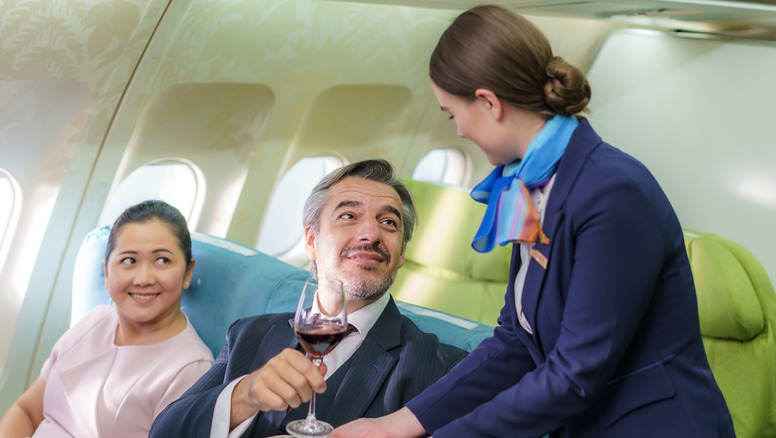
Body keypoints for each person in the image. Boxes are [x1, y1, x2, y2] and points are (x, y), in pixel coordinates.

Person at [333, 5, 735, 438]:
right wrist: (393, 426)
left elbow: (574, 375)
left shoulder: (613, 193)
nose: (461, 133)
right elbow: (516, 341)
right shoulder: (528, 185)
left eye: (453, 115)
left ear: (488, 102)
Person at [149, 159, 467, 438]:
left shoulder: (445, 369)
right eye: (348, 216)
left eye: (389, 222)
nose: (371, 234)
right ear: (311, 241)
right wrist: (244, 397)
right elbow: (165, 432)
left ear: (400, 255)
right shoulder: (250, 334)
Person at [0, 200, 214, 438]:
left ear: (188, 272)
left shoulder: (192, 370)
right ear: (106, 271)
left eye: (162, 260)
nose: (143, 278)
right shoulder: (93, 321)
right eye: (129, 260)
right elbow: (27, 411)